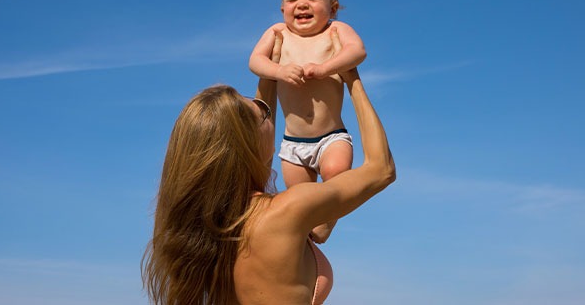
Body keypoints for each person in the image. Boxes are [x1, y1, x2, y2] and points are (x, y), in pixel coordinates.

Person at [142, 30, 395, 304]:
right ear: (247, 146)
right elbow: (381, 169)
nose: (267, 114)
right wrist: (351, 78)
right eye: (263, 116)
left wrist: (272, 72)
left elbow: (256, 136)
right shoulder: (288, 211)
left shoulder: (206, 231)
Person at [249, 0, 367, 243]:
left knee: (337, 176)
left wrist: (326, 68)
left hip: (330, 138)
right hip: (293, 144)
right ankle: (310, 238)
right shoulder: (278, 33)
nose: (301, 4)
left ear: (333, 8)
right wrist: (279, 71)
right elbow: (255, 61)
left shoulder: (336, 31)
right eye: (293, 0)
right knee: (299, 202)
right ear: (282, 8)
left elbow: (358, 51)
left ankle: (327, 224)